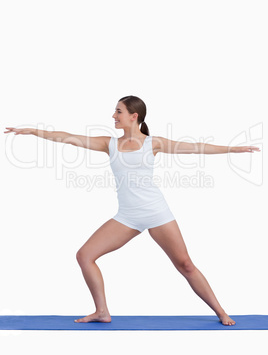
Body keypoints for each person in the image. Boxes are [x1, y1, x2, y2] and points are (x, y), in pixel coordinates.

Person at [4, 95, 260, 326]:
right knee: (85, 255)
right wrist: (33, 132)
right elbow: (68, 138)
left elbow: (196, 148)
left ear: (133, 116)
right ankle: (102, 311)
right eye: (115, 112)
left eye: (118, 111)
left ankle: (221, 312)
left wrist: (232, 149)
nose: (113, 116)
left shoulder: (154, 143)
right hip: (127, 217)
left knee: (186, 265)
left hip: (157, 212)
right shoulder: (109, 144)